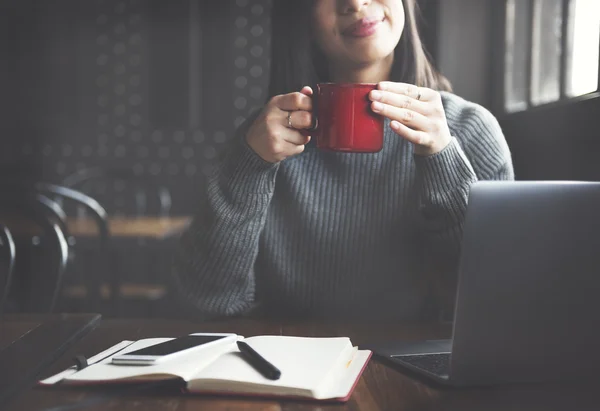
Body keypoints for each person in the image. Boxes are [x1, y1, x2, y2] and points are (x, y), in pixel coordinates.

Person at [172, 0, 514, 321]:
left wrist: (443, 158)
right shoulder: (262, 140)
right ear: (301, 15)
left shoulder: (469, 131)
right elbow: (208, 303)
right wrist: (249, 167)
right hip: (289, 371)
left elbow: (499, 303)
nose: (353, 2)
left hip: (419, 374)